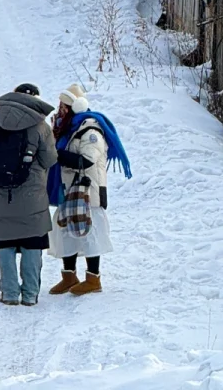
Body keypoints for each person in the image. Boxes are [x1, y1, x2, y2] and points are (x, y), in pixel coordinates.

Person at [0, 83, 58, 306]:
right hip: (31, 197)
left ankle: (10, 292)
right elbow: (50, 159)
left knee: (4, 242)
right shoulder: (41, 126)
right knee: (32, 243)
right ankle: (30, 294)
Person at [47, 83, 131, 296]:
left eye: (64, 106)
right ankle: (69, 276)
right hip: (70, 189)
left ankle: (93, 279)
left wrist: (58, 155)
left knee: (89, 232)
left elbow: (88, 159)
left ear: (75, 107)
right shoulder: (70, 129)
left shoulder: (90, 129)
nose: (60, 111)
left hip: (87, 191)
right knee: (67, 230)